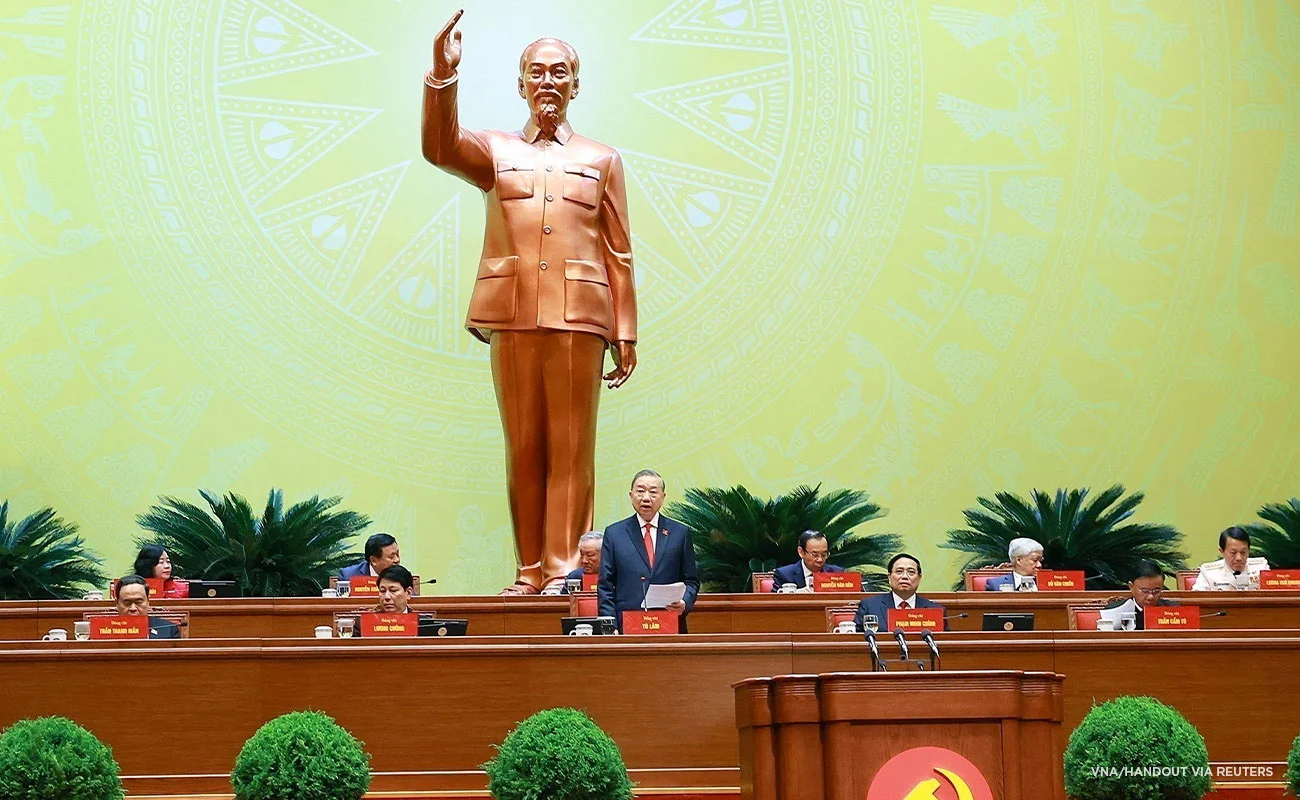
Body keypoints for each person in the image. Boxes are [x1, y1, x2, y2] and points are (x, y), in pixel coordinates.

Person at [422, 11, 639, 596]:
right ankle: (528, 570)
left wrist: (625, 330)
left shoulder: (602, 159)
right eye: (536, 72)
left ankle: (565, 570)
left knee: (571, 450)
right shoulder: (494, 150)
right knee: (523, 448)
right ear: (520, 85)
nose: (547, 81)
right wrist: (442, 75)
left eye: (559, 72)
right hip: (512, 313)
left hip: (580, 317)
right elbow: (439, 147)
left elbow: (618, 250)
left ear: (576, 85)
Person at [598, 471, 699, 631]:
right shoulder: (614, 534)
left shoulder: (680, 533)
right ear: (631, 495)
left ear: (663, 497)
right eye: (640, 491)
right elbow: (605, 585)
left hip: (669, 624)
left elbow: (691, 581)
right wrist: (610, 627)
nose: (646, 498)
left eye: (653, 492)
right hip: (627, 626)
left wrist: (684, 602)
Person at [853, 553, 947, 632]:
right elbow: (856, 640)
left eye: (911, 572)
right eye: (899, 571)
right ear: (889, 577)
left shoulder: (935, 611)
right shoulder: (870, 606)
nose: (905, 577)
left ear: (919, 578)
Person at [1102, 559, 1180, 630]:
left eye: (1156, 591)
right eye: (1145, 591)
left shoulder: (1174, 611)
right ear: (1131, 586)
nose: (1150, 597)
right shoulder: (1114, 611)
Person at [1191, 527, 1270, 591]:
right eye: (1233, 553)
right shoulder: (1209, 572)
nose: (1239, 558)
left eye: (1243, 552)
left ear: (1248, 550)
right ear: (1222, 551)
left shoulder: (1261, 567)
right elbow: (1196, 599)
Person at [770, 531, 845, 592]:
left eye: (824, 554)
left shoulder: (837, 573)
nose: (820, 559)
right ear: (801, 552)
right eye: (815, 555)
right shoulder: (784, 575)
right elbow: (775, 602)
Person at [114, 575, 181, 639]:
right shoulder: (108, 630)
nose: (133, 608)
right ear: (117, 603)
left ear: (148, 600)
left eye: (138, 602)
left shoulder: (168, 629)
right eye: (127, 603)